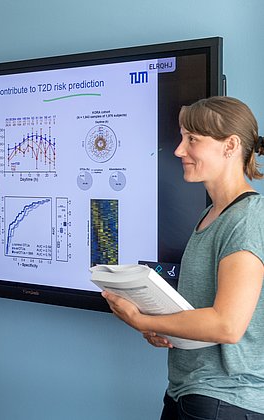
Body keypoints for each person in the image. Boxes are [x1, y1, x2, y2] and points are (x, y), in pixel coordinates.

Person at [102, 96, 264, 419]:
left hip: (223, 401)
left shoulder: (247, 219)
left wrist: (141, 320)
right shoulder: (210, 215)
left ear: (230, 146)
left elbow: (227, 324)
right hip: (187, 394)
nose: (178, 150)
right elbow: (201, 312)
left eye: (192, 140)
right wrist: (162, 327)